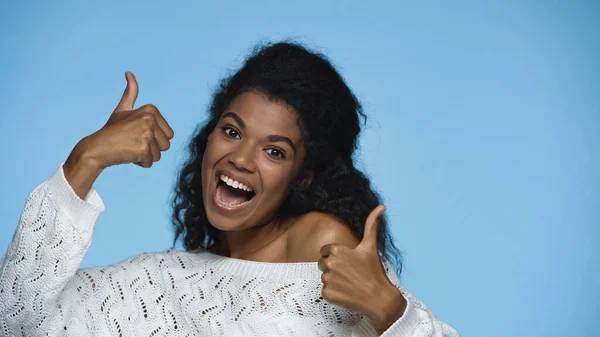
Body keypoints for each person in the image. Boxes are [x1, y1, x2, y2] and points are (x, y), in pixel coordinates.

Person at [0, 42, 458, 336]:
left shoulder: (323, 249)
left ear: (304, 174)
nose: (240, 158)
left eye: (275, 151)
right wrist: (86, 160)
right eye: (233, 132)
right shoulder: (156, 284)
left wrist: (390, 309)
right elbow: (14, 322)